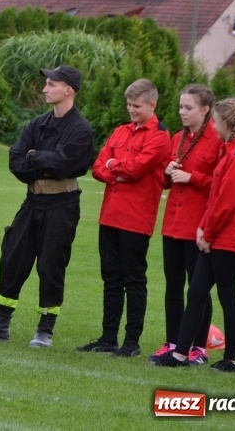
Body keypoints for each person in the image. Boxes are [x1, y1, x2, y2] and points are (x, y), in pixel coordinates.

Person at [0, 66, 93, 347]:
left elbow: (64, 163)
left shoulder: (80, 129)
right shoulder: (37, 124)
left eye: (51, 84)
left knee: (51, 264)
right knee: (13, 258)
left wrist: (36, 157)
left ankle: (45, 329)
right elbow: (16, 161)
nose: (45, 89)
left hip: (62, 204)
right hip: (33, 200)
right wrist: (41, 160)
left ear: (68, 89)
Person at [156, 97, 235, 372]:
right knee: (198, 290)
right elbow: (216, 198)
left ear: (226, 124)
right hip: (216, 235)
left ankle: (230, 359)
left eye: (214, 121)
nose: (212, 126)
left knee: (227, 296)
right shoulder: (230, 152)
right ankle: (179, 354)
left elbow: (227, 202)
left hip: (229, 238)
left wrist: (208, 232)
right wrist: (203, 228)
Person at [78, 78, 170, 357]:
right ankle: (108, 337)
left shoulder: (159, 136)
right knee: (111, 277)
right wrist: (116, 169)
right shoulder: (121, 131)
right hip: (110, 215)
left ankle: (131, 342)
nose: (131, 110)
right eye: (129, 105)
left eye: (137, 106)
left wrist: (114, 167)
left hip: (136, 218)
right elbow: (97, 167)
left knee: (133, 278)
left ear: (152, 105)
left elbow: (137, 168)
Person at [149, 84, 222, 365]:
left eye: (188, 107)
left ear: (205, 110)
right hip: (173, 224)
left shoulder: (217, 139)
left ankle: (198, 347)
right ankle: (172, 342)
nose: (182, 112)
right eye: (180, 106)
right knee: (173, 284)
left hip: (198, 225)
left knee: (198, 287)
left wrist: (193, 178)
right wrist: (167, 173)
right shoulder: (178, 137)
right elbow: (164, 181)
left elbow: (222, 183)